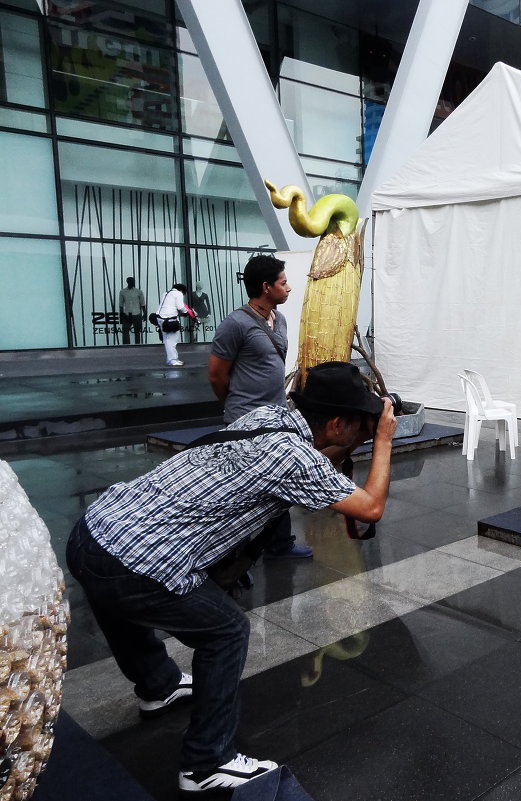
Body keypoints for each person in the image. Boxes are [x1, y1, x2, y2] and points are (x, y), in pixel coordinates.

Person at [65, 362, 397, 795]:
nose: (365, 434)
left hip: (93, 533)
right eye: (360, 427)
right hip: (135, 559)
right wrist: (385, 441)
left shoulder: (268, 417)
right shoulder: (293, 457)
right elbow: (370, 507)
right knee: (226, 631)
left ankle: (158, 686)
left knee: (114, 589)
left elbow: (307, 467)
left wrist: (352, 438)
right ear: (335, 423)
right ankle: (205, 763)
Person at [208, 254, 307, 559]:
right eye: (283, 281)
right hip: (244, 421)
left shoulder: (282, 320)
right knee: (240, 488)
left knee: (278, 480)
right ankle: (231, 552)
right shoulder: (235, 324)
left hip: (276, 417)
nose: (288, 287)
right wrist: (238, 406)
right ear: (266, 287)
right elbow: (216, 375)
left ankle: (279, 544)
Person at [156, 283, 194, 366]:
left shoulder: (165, 293)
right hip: (169, 319)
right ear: (182, 291)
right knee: (172, 339)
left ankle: (170, 359)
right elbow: (180, 307)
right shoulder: (178, 293)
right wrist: (187, 312)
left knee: (166, 339)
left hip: (160, 318)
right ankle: (173, 360)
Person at [118, 277, 146, 345]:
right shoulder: (122, 292)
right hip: (127, 314)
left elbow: (142, 303)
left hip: (137, 313)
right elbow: (121, 304)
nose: (133, 283)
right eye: (131, 281)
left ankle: (137, 345)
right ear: (127, 282)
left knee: (137, 331)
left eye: (133, 281)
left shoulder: (138, 291)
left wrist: (145, 314)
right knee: (125, 331)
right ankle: (126, 346)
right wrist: (122, 315)